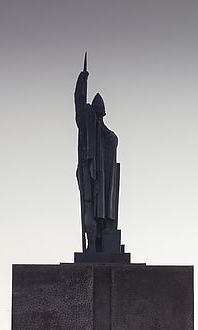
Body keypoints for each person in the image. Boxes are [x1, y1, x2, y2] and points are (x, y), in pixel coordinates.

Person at [75, 61, 120, 253]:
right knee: (89, 207)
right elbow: (79, 100)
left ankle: (97, 241)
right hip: (88, 171)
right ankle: (92, 243)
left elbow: (78, 100)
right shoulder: (87, 125)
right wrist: (82, 80)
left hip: (103, 181)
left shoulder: (108, 136)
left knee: (97, 209)